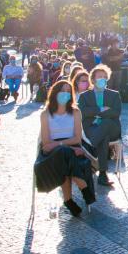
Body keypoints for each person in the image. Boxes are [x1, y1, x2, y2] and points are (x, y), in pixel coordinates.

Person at [34, 80, 95, 216]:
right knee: (63, 152)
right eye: (63, 91)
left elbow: (77, 139)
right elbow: (46, 143)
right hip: (51, 154)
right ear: (55, 93)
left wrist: (66, 146)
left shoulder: (75, 112)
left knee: (64, 158)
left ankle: (68, 200)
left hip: (69, 149)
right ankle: (84, 188)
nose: (65, 94)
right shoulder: (45, 114)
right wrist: (66, 147)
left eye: (68, 92)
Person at [77, 65, 122, 187]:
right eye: (99, 77)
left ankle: (90, 149)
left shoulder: (114, 95)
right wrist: (101, 109)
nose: (102, 79)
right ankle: (102, 174)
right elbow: (83, 112)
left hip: (112, 127)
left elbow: (116, 112)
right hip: (92, 128)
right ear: (93, 80)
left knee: (107, 124)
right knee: (104, 137)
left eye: (104, 77)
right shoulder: (84, 96)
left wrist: (95, 113)